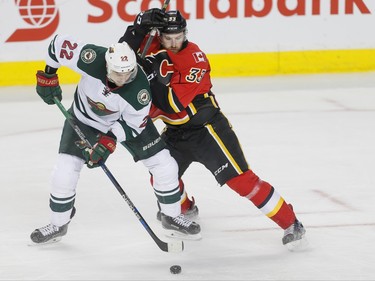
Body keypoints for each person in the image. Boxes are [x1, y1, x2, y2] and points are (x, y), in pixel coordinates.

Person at [118, 9, 307, 250]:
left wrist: (146, 83)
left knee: (242, 181)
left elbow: (172, 103)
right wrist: (138, 27)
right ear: (161, 35)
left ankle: (291, 223)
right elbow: (120, 57)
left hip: (207, 130)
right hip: (176, 132)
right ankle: (185, 210)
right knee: (162, 176)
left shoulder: (194, 59)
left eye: (179, 36)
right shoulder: (154, 44)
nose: (174, 42)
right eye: (168, 38)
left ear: (186, 33)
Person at [31, 34, 200, 244]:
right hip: (85, 119)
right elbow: (56, 45)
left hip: (125, 123)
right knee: (64, 171)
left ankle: (171, 215)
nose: (123, 79)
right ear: (107, 66)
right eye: (118, 74)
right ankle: (58, 224)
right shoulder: (91, 58)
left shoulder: (139, 92)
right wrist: (49, 74)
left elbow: (134, 125)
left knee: (164, 164)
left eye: (128, 73)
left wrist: (109, 141)